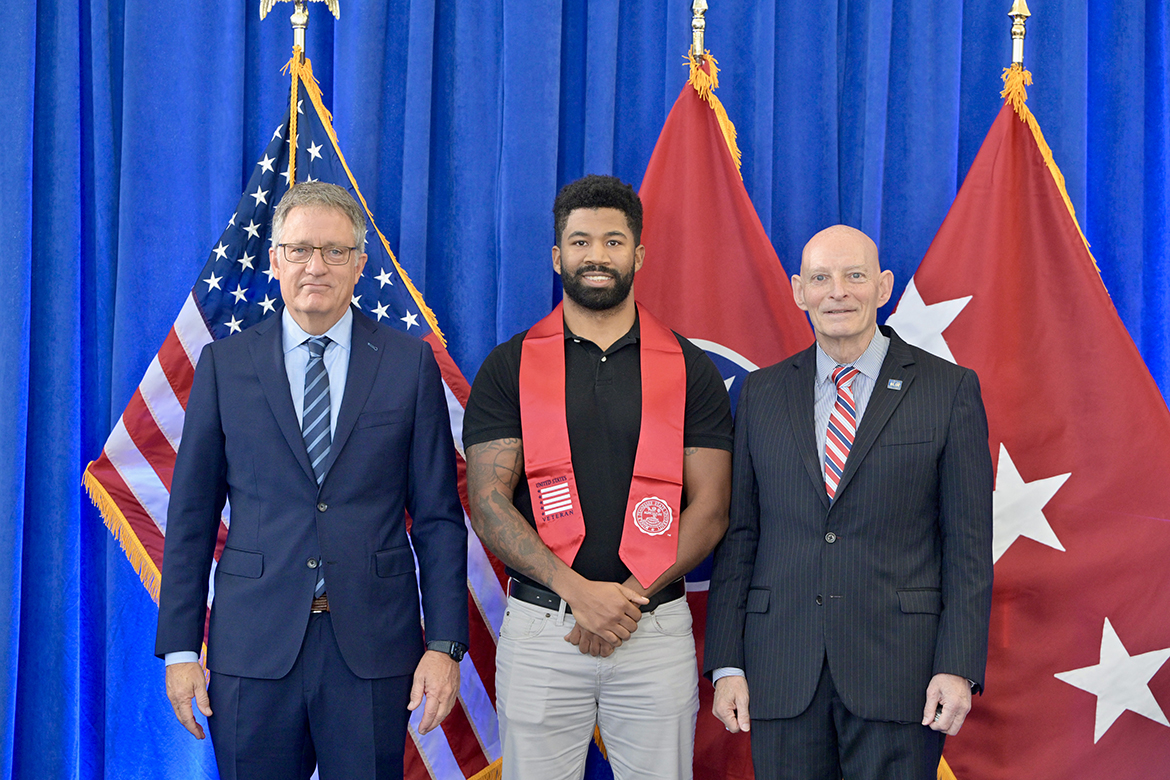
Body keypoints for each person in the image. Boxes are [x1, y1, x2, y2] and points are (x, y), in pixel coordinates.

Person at [155, 182, 469, 780]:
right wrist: (178, 650)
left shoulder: (409, 363)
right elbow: (191, 519)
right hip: (253, 646)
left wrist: (445, 644)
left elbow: (436, 518)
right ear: (274, 260)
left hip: (374, 648)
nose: (315, 267)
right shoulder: (225, 366)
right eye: (299, 250)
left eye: (333, 250)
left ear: (359, 263)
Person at [462, 174, 733, 780]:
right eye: (580, 241)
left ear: (637, 254)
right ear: (559, 256)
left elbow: (712, 507)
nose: (597, 255)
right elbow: (487, 502)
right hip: (542, 629)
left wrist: (622, 603)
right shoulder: (510, 366)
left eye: (614, 241)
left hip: (653, 625)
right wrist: (579, 594)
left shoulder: (690, 368)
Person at [704, 225, 993, 780]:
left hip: (900, 673)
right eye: (821, 278)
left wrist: (957, 666)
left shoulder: (948, 388)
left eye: (854, 275)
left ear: (883, 286)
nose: (837, 291)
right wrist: (727, 662)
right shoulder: (761, 394)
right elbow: (741, 536)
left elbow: (969, 546)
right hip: (782, 670)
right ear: (798, 291)